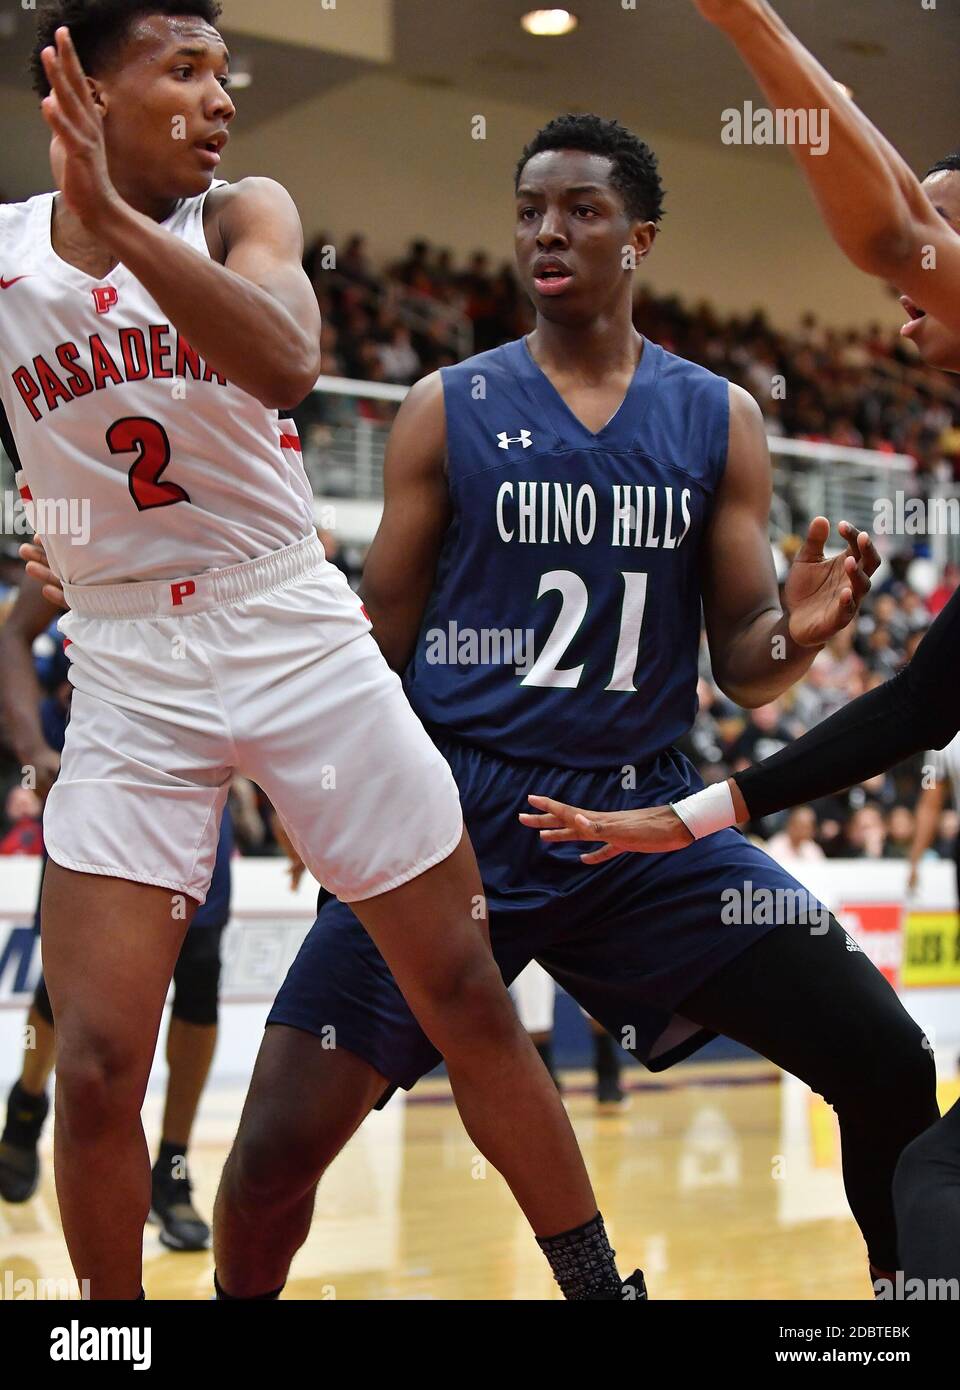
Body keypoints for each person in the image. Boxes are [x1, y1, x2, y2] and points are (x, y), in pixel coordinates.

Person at [204, 114, 936, 1302]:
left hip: (638, 823)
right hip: (447, 819)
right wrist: (327, 788)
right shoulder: (447, 405)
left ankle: (909, 1304)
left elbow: (745, 661)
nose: (549, 230)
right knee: (274, 1158)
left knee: (884, 1055)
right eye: (531, 209)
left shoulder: (718, 418)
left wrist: (795, 637)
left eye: (582, 210)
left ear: (639, 238)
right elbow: (373, 640)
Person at [2, 2, 623, 1301]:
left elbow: (288, 359)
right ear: (85, 86)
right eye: (185, 71)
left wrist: (117, 231)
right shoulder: (3, 260)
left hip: (289, 625)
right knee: (101, 1058)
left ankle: (595, 1282)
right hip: (125, 661)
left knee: (461, 983)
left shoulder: (242, 214)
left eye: (228, 71)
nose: (222, 98)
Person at [527, 0, 960, 1285]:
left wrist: (744, 18)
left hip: (616, 833)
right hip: (529, 824)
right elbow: (919, 705)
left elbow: (891, 218)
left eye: (932, 259)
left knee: (936, 1174)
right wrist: (706, 810)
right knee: (914, 1125)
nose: (895, 297)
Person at [0, 572, 233, 1250]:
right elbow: (15, 638)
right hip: (102, 779)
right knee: (71, 980)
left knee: (202, 977)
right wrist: (34, 751)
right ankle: (28, 1100)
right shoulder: (86, 526)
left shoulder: (232, 530)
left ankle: (175, 1168)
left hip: (199, 785)